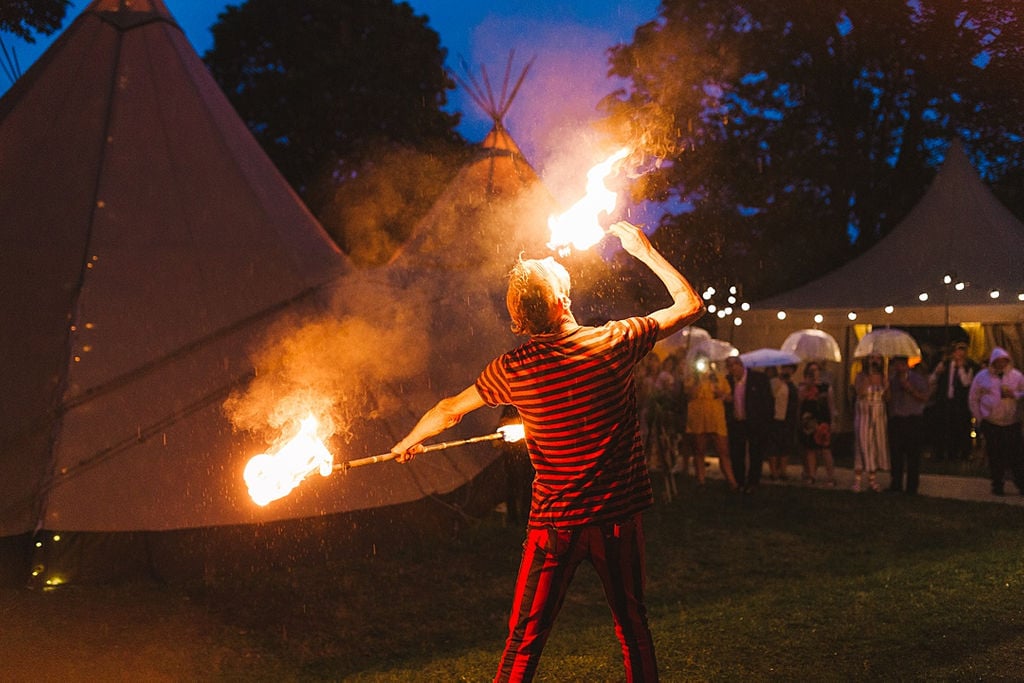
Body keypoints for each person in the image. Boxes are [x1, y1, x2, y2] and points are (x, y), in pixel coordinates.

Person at [389, 220, 704, 682]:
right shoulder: (612, 342)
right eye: (554, 274)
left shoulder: (513, 369)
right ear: (561, 301)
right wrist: (644, 250)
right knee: (633, 629)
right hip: (616, 518)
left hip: (554, 525)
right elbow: (690, 305)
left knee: (524, 639)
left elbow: (450, 409)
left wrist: (408, 442)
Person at [968, 347, 1024, 496]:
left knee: (1016, 455)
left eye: (1003, 361)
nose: (1000, 364)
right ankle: (997, 484)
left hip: (1012, 422)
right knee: (995, 455)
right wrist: (980, 418)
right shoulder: (982, 377)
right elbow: (973, 398)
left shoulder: (1016, 376)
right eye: (997, 361)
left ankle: (1020, 483)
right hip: (991, 422)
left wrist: (1015, 395)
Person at [683, 354, 736, 489]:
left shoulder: (719, 378)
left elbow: (729, 397)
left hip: (716, 418)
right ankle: (701, 480)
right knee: (699, 450)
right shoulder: (692, 378)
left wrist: (720, 392)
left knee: (723, 451)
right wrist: (699, 380)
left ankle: (731, 481)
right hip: (699, 418)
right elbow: (689, 395)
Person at [723, 355, 774, 493]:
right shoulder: (728, 381)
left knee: (755, 452)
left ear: (741, 365)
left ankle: (753, 482)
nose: (732, 369)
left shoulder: (758, 379)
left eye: (735, 366)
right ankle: (739, 480)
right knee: (737, 452)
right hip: (736, 421)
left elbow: (767, 401)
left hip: (754, 421)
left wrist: (765, 420)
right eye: (730, 367)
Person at [887, 356, 932, 495]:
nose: (899, 368)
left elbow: (925, 397)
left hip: (913, 419)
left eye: (901, 364)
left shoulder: (917, 379)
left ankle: (912, 487)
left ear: (906, 365)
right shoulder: (891, 380)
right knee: (896, 454)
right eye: (896, 365)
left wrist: (909, 389)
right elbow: (888, 398)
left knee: (913, 455)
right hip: (896, 419)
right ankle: (896, 483)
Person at [929, 341, 978, 461]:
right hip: (945, 402)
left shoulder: (969, 366)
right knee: (942, 428)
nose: (960, 353)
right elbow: (931, 380)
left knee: (960, 428)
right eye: (958, 350)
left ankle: (958, 454)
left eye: (963, 351)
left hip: (960, 403)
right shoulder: (945, 364)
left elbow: (966, 383)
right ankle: (940, 453)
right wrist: (937, 372)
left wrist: (961, 368)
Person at [853, 354, 890, 492]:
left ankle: (872, 480)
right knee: (862, 444)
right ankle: (857, 480)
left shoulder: (883, 377)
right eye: (872, 358)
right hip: (864, 413)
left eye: (878, 359)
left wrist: (886, 387)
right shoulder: (861, 376)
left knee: (875, 445)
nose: (874, 361)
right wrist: (868, 378)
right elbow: (860, 392)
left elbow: (887, 398)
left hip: (878, 414)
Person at [797, 362, 837, 486]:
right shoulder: (803, 388)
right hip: (808, 420)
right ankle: (811, 475)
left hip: (822, 420)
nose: (814, 373)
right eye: (811, 371)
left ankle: (831, 477)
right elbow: (799, 404)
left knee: (825, 449)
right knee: (810, 449)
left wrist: (834, 420)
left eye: (816, 370)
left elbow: (831, 405)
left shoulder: (826, 387)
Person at [768, 364, 800, 481]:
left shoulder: (793, 383)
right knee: (774, 444)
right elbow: (772, 394)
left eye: (790, 369)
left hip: (789, 418)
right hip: (776, 417)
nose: (787, 371)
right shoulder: (775, 381)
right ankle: (774, 471)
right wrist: (780, 381)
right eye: (785, 368)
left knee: (786, 444)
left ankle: (783, 470)